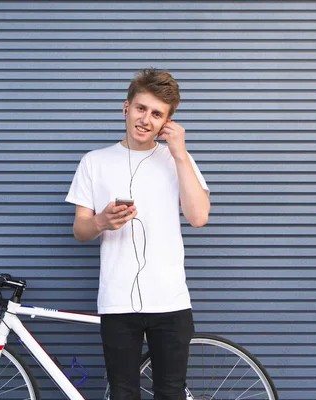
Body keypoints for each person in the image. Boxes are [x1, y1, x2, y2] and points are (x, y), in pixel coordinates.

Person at [65, 68, 210, 399]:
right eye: (141, 108)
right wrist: (102, 221)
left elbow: (199, 216)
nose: (146, 119)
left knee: (170, 391)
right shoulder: (94, 162)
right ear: (125, 108)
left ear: (166, 122)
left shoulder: (179, 160)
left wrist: (179, 152)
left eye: (157, 114)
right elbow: (79, 230)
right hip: (118, 303)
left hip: (171, 300)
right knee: (123, 392)